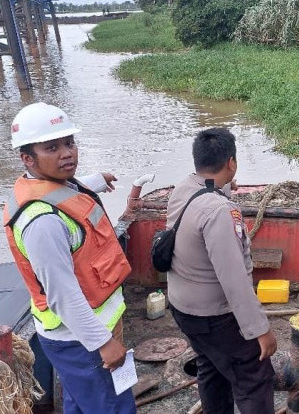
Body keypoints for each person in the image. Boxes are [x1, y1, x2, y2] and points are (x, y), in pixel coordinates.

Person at [3, 102, 135, 413]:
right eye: (53, 147)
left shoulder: (46, 184)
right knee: (114, 407)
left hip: (83, 334)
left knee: (78, 401)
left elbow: (65, 191)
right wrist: (103, 343)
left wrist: (97, 179)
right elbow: (62, 295)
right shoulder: (43, 223)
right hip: (81, 341)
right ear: (27, 158)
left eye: (69, 142)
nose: (67, 153)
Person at [167, 127, 277, 414]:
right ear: (231, 162)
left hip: (182, 308)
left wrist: (225, 187)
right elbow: (235, 279)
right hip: (213, 318)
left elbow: (208, 193)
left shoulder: (183, 189)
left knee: (211, 366)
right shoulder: (220, 212)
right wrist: (259, 330)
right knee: (255, 375)